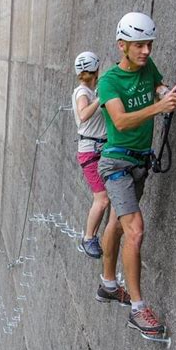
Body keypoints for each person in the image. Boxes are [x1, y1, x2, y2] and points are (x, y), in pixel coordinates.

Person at [95, 12, 176, 336]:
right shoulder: (109, 82)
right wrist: (159, 108)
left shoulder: (148, 68)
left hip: (139, 164)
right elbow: (120, 121)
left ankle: (107, 283)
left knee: (117, 224)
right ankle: (138, 309)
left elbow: (156, 84)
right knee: (135, 231)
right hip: (116, 164)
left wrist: (162, 92)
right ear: (122, 46)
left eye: (149, 44)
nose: (146, 50)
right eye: (139, 45)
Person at [72, 51, 110, 258]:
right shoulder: (82, 92)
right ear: (95, 69)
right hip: (91, 152)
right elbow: (84, 114)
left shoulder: (89, 91)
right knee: (102, 199)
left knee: (106, 196)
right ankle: (88, 238)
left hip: (98, 149)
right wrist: (100, 100)